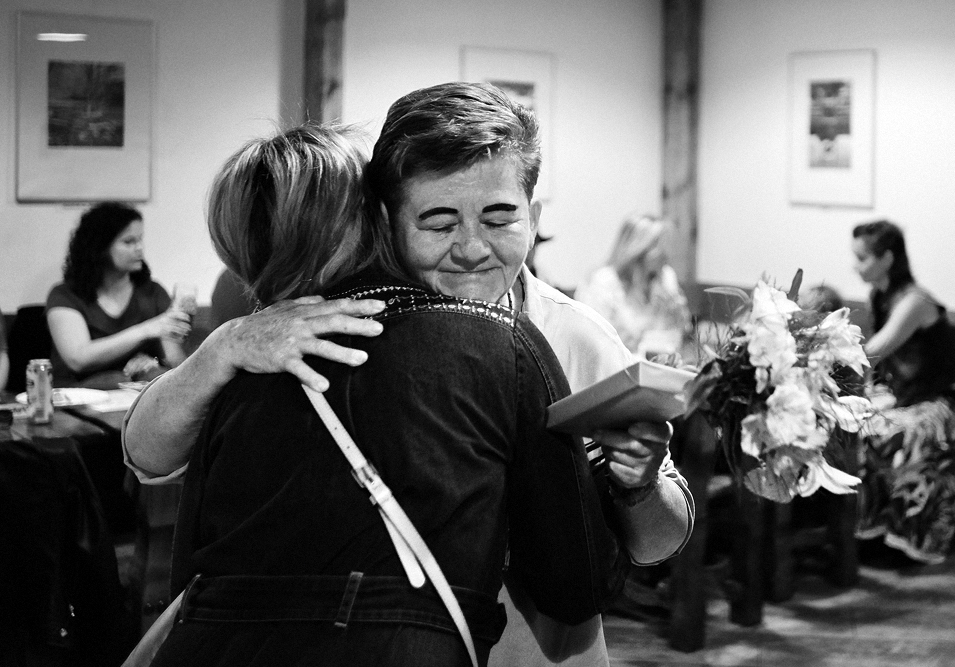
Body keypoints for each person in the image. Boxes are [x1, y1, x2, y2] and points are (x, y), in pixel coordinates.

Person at [124, 82, 694, 666]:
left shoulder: (572, 334)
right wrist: (222, 346)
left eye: (500, 219)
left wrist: (640, 483)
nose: (472, 249)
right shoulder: (317, 332)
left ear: (533, 218)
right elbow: (147, 455)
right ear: (388, 222)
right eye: (439, 223)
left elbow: (657, 544)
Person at [852, 219, 955, 564]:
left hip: (942, 404)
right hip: (908, 396)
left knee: (893, 433)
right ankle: (870, 531)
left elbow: (872, 352)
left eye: (862, 258)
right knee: (854, 427)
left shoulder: (915, 302)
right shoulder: (880, 296)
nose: (855, 266)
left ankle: (906, 538)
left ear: (887, 258)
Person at [46, 202, 191, 388]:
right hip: (79, 395)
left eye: (140, 240)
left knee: (156, 377)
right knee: (113, 380)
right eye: (129, 242)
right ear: (100, 247)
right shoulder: (65, 295)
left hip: (135, 393)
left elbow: (175, 363)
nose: (139, 248)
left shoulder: (153, 292)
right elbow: (78, 359)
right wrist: (145, 330)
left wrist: (154, 362)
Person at [574, 214, 692, 360]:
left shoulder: (665, 277)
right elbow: (592, 340)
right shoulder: (603, 282)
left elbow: (682, 331)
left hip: (659, 363)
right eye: (659, 246)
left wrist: (678, 313)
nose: (667, 254)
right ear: (639, 250)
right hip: (617, 364)